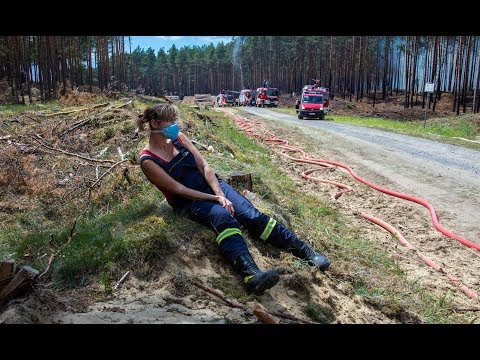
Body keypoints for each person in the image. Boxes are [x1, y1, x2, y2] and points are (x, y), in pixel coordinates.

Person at [136, 103, 331, 296]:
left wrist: (220, 193)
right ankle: (251, 275)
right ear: (154, 123)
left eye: (174, 120)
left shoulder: (179, 138)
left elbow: (204, 166)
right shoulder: (148, 161)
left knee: (251, 215)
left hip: (212, 187)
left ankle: (306, 253)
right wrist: (216, 199)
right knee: (223, 218)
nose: (174, 125)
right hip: (189, 201)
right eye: (170, 121)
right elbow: (180, 189)